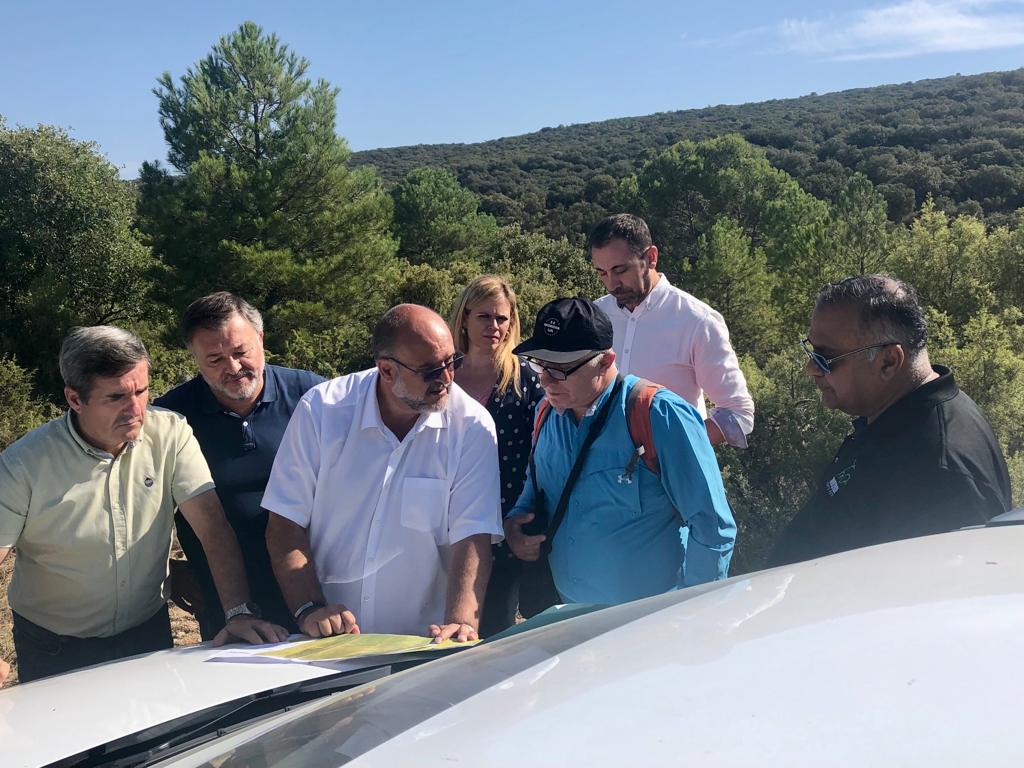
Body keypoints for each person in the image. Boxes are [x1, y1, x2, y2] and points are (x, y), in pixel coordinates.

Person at [0, 326, 287, 683]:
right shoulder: (24, 463)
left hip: (147, 632)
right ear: (75, 399)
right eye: (117, 397)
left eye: (142, 391)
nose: (136, 409)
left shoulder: (170, 433)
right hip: (53, 645)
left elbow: (213, 528)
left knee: (157, 739)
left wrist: (238, 612)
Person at [264, 304, 503, 642]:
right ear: (387, 370)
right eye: (431, 371)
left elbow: (473, 536)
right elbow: (284, 524)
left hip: (422, 644)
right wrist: (309, 608)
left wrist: (461, 623)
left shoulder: (472, 426)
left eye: (452, 362)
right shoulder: (322, 411)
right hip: (329, 644)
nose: (447, 379)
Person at [503, 297, 736, 606]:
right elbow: (537, 489)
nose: (545, 380)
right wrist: (516, 524)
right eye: (541, 365)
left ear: (606, 361)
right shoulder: (546, 414)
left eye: (560, 369)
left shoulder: (657, 414)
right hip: (567, 614)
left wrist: (691, 611)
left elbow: (713, 526)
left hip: (645, 625)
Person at [769, 275, 1012, 567]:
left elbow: (935, 601)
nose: (811, 368)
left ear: (889, 361)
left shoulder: (940, 471)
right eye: (811, 351)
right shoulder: (892, 416)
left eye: (825, 358)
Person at [155, 292, 324, 639]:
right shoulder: (170, 418)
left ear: (261, 339)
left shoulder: (313, 397)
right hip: (226, 600)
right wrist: (167, 570)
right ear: (194, 358)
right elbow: (145, 507)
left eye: (240, 352)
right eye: (214, 359)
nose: (232, 368)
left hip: (318, 585)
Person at [589, 214, 754, 448]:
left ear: (651, 257)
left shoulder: (697, 321)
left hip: (672, 480)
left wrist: (669, 450)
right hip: (604, 476)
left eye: (620, 270)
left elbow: (738, 415)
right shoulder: (595, 316)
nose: (612, 284)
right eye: (602, 273)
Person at [449, 276, 544, 635]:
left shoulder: (526, 379)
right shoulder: (444, 374)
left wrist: (520, 518)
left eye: (502, 318)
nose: (494, 327)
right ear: (465, 318)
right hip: (443, 521)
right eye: (484, 317)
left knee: (494, 631)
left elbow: (542, 455)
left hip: (503, 526)